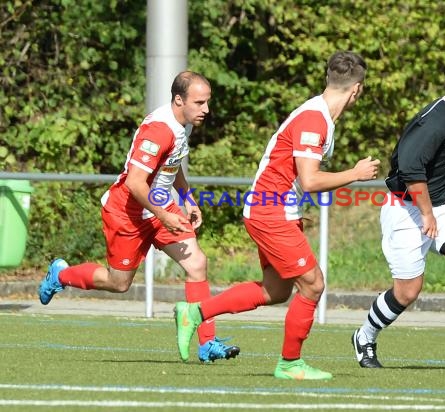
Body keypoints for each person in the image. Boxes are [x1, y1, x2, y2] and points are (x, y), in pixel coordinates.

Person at [173, 51, 380, 380]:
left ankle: (195, 312)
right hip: (271, 212)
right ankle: (290, 363)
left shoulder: (318, 115)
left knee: (277, 291)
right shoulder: (315, 120)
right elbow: (310, 180)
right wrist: (354, 173)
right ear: (357, 90)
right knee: (312, 284)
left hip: (274, 210)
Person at [38, 71, 240, 364]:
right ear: (179, 100)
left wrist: (187, 200)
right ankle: (61, 274)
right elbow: (134, 182)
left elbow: (174, 164)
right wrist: (164, 214)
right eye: (199, 102)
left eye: (207, 102)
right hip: (127, 212)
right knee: (118, 283)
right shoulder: (159, 130)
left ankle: (207, 343)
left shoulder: (183, 124)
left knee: (197, 263)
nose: (206, 109)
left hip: (158, 208)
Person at [351, 49, 445, 368]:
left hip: (437, 203)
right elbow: (410, 169)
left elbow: (431, 160)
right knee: (408, 291)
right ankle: (365, 335)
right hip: (407, 209)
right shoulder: (437, 120)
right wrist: (427, 214)